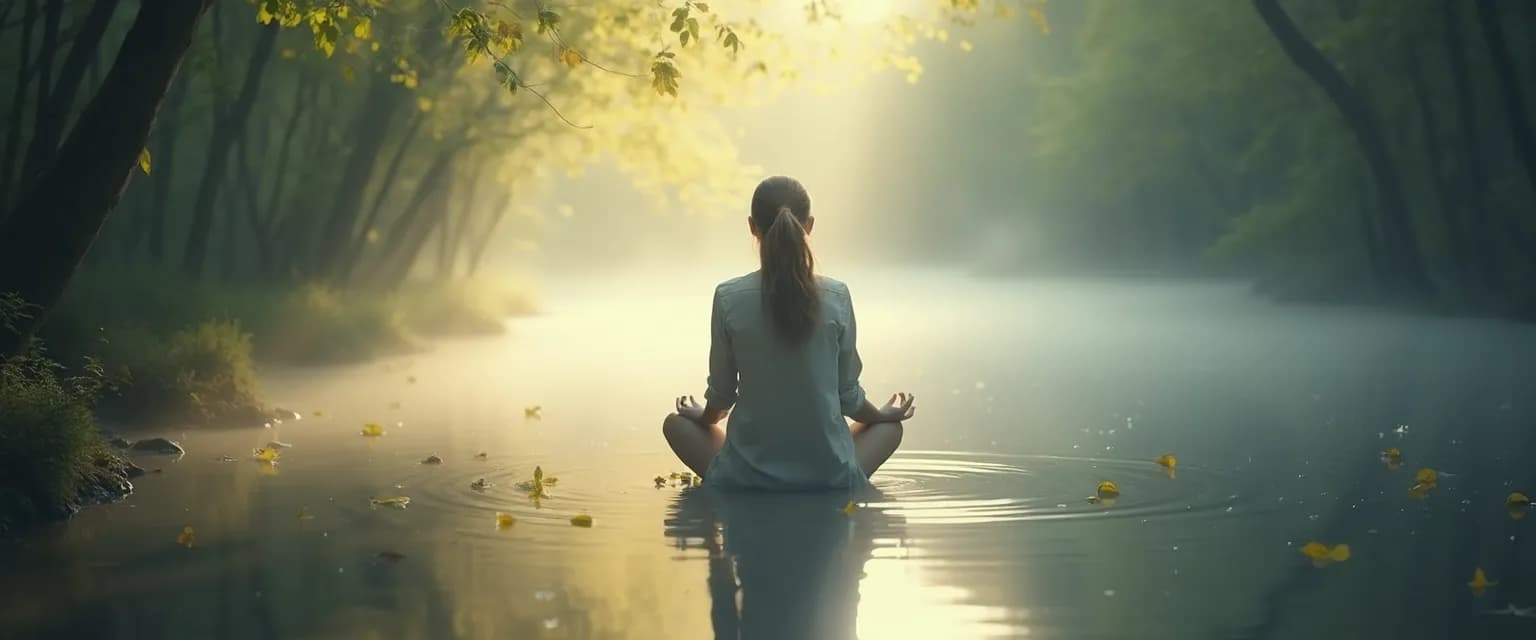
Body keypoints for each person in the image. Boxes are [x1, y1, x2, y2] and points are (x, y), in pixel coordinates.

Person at [663, 175, 915, 491]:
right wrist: (880, 414)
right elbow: (848, 397)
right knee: (889, 429)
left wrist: (704, 418)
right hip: (828, 476)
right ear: (808, 226)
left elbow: (723, 395)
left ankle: (748, 471)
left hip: (747, 478)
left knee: (676, 424)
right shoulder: (837, 295)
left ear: (753, 226)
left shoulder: (728, 297)